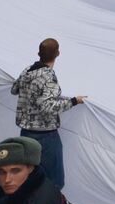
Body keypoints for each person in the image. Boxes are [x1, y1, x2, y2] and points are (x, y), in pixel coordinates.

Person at [10, 38, 87, 190]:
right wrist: (74, 101)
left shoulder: (27, 70)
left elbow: (14, 89)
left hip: (25, 133)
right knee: (54, 180)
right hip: (45, 136)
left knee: (29, 177)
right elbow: (47, 106)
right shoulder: (48, 77)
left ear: (38, 53)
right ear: (58, 53)